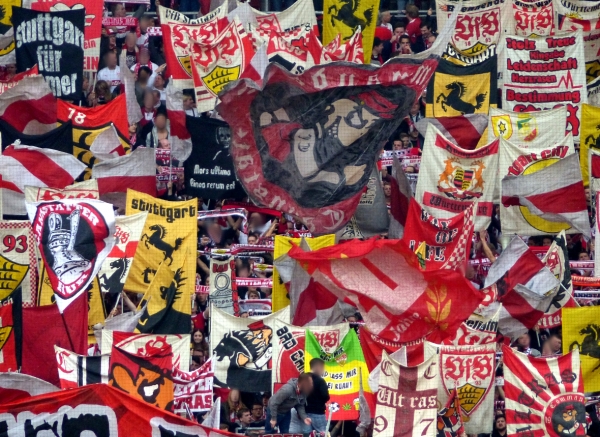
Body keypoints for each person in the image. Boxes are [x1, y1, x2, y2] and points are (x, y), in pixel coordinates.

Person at [303, 359, 330, 435]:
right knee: (322, 434)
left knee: (307, 434)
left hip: (304, 413)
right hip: (318, 412)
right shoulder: (320, 380)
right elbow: (326, 396)